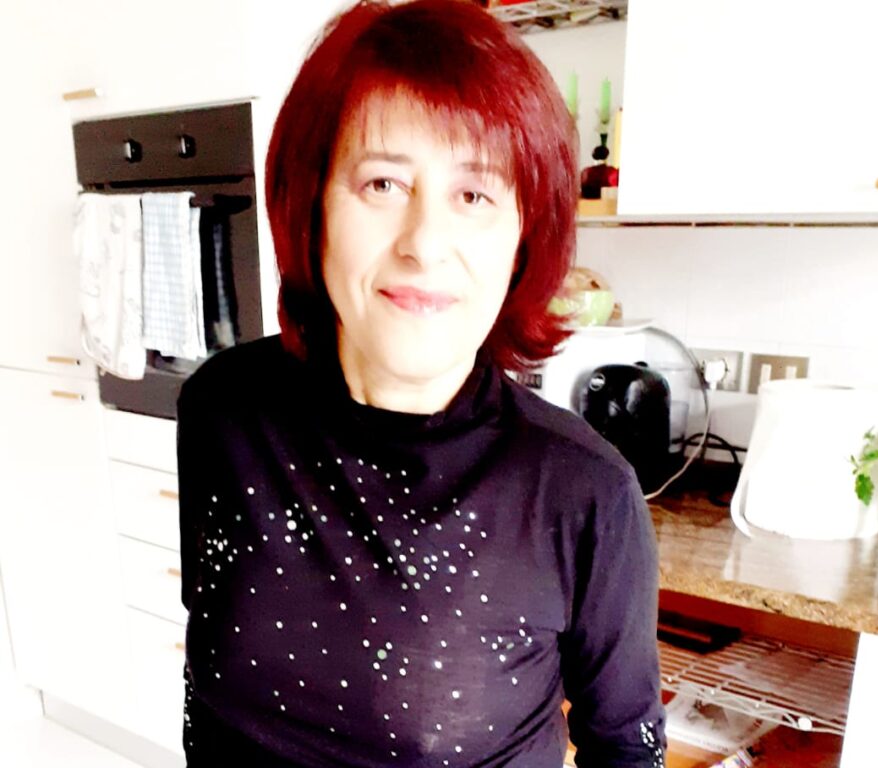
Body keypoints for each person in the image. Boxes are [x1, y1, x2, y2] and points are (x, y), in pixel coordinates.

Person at [176, 1, 666, 766]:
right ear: (314, 204)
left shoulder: (582, 491)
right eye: (381, 184)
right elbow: (208, 691)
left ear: (521, 238)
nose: (424, 243)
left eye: (473, 195)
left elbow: (626, 749)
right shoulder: (222, 409)